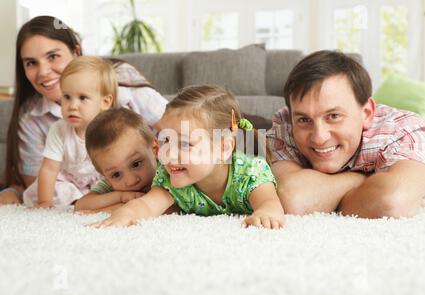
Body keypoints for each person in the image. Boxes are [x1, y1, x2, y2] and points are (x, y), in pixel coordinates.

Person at [0, 15, 167, 205]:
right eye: (31, 62)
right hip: (84, 196)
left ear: (76, 50)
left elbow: (174, 127)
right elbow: (41, 181)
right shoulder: (33, 118)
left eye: (53, 56)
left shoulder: (120, 82)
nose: (43, 71)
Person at [90, 85, 285, 229]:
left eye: (184, 144)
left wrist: (265, 213)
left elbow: (270, 203)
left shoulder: (249, 172)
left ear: (223, 148)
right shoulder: (171, 178)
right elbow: (147, 204)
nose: (168, 154)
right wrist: (127, 212)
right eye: (166, 140)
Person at [267, 50, 425, 218]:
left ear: (366, 113)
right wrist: (362, 180)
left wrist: (325, 196)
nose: (319, 138)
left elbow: (391, 202)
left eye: (334, 116)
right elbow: (292, 198)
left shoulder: (401, 130)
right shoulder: (286, 126)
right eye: (305, 120)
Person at [23, 56, 116, 207]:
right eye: (66, 97)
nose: (72, 106)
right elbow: (49, 169)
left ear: (104, 102)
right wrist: (44, 202)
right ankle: (78, 202)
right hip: (68, 182)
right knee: (57, 188)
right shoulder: (59, 130)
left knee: (113, 186)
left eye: (82, 98)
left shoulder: (111, 131)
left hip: (98, 183)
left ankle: (91, 201)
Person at [74, 108, 158, 212]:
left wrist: (115, 208)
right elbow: (80, 206)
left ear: (155, 150)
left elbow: (173, 205)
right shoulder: (110, 184)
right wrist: (120, 197)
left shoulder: (169, 171)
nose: (131, 181)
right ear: (105, 176)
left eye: (136, 164)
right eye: (116, 174)